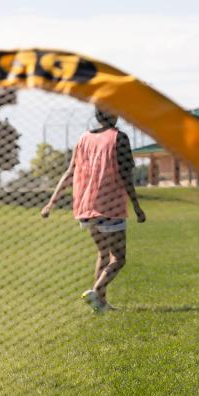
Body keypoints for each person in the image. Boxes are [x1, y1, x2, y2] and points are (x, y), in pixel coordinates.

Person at [41, 108, 146, 312]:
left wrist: (50, 203)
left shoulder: (83, 138)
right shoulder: (119, 138)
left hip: (86, 206)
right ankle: (96, 291)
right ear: (115, 115)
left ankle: (101, 304)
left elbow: (70, 172)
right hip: (110, 206)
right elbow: (126, 176)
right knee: (119, 258)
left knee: (102, 253)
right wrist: (136, 206)